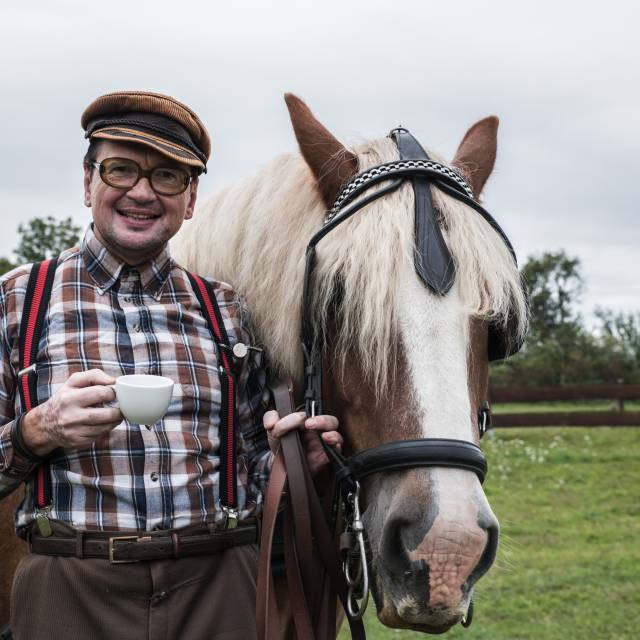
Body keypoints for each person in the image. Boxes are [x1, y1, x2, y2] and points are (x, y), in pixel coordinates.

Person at [0, 91, 342, 640]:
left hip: (217, 585)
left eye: (167, 176)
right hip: (69, 588)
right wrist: (36, 431)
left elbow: (251, 468)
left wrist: (291, 462)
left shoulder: (229, 312)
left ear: (190, 199)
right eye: (121, 169)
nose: (141, 191)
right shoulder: (18, 301)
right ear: (88, 182)